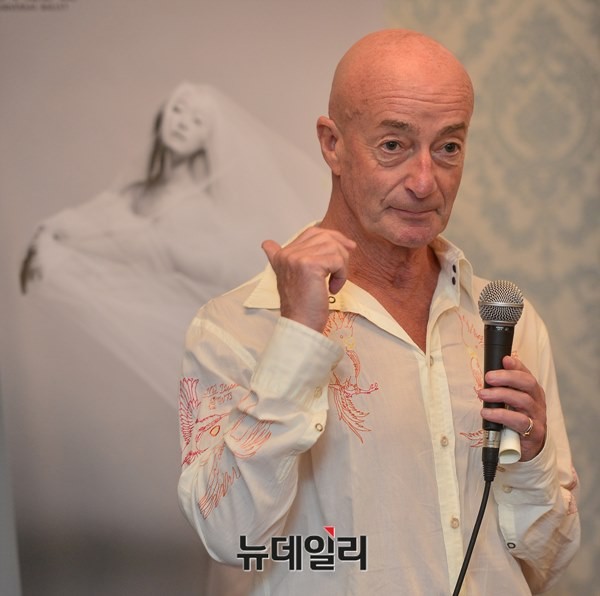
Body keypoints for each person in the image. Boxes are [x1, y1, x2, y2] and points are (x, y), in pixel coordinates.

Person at [177, 30, 580, 594]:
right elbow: (229, 537)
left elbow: (551, 558)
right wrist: (295, 343)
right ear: (332, 144)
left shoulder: (506, 322)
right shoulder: (237, 325)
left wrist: (532, 458)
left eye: (448, 147)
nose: (424, 182)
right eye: (393, 145)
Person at [19, 81, 326, 402]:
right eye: (178, 110)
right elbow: (92, 224)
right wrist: (51, 234)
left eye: (197, 121)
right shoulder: (136, 191)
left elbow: (192, 263)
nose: (183, 123)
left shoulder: (195, 207)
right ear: (164, 114)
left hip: (183, 341)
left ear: (207, 139)